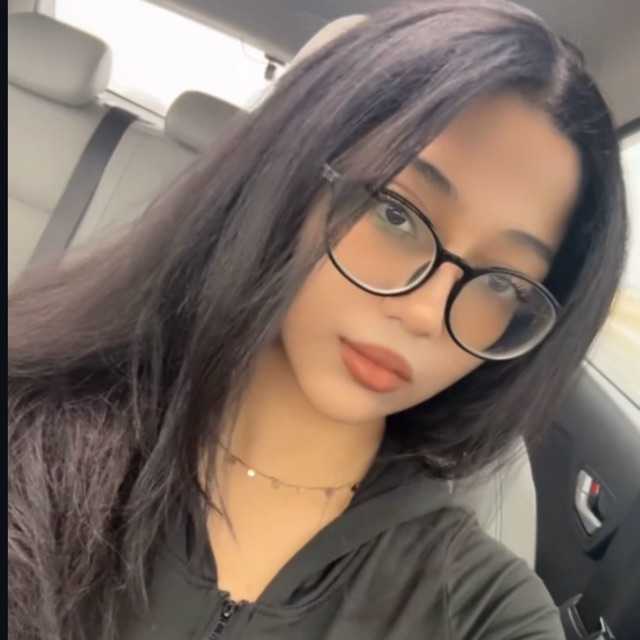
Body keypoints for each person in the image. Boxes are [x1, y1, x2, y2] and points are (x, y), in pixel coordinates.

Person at [8, 1, 629, 639]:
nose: (424, 313)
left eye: (501, 282)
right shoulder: (32, 423)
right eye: (396, 213)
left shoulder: (480, 608)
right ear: (294, 176)